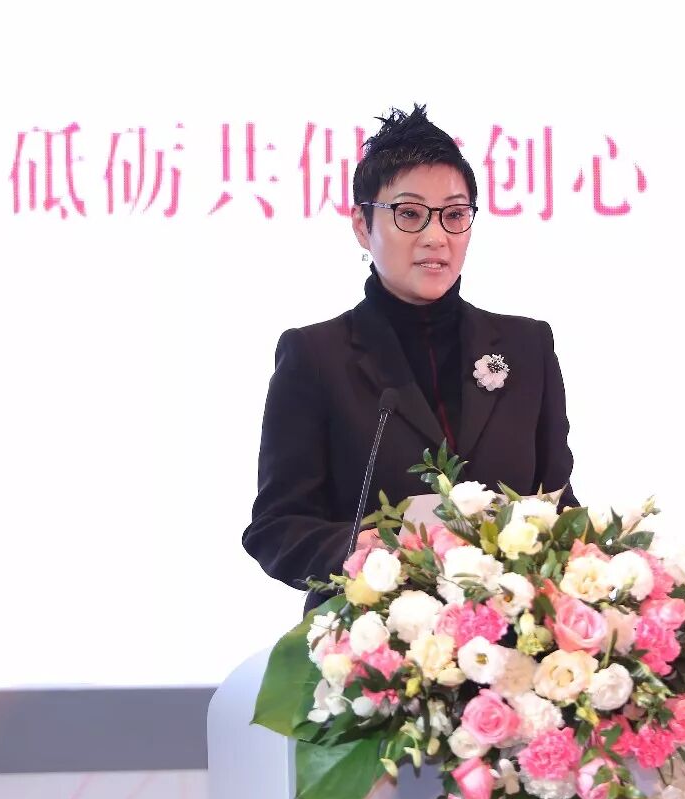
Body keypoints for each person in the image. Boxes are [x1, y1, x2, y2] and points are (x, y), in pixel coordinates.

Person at [242, 105, 577, 613]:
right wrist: (357, 552)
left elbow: (557, 501)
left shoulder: (527, 346)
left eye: (455, 215)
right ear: (362, 225)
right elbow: (276, 527)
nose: (436, 237)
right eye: (410, 214)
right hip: (369, 638)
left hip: (513, 640)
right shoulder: (316, 357)